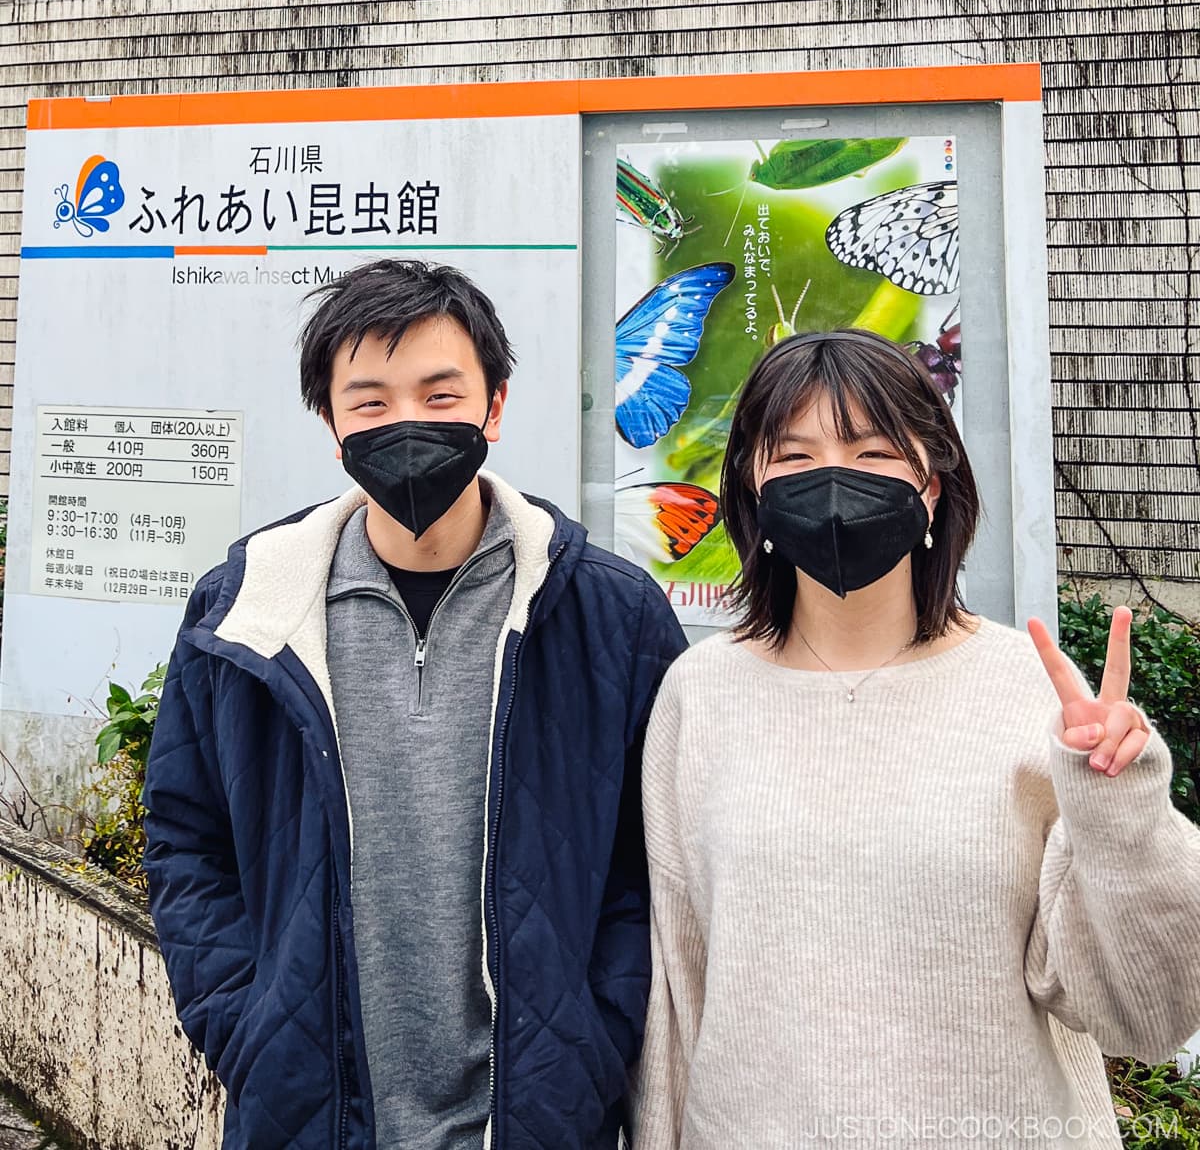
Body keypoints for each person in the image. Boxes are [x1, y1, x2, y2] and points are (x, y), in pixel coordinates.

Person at [143, 257, 686, 1150]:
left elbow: (649, 862)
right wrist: (248, 1029)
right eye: (370, 402)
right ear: (333, 424)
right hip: (310, 1118)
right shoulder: (246, 610)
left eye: (441, 396)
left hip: (536, 1119)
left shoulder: (608, 615)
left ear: (495, 408)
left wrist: (591, 1041)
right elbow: (186, 838)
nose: (406, 425)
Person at [634, 327, 1200, 1149]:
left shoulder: (1025, 692)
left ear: (930, 486)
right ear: (753, 490)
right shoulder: (701, 693)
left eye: (871, 453)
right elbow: (676, 992)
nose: (833, 480)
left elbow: (1144, 1014)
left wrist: (1123, 810)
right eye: (792, 456)